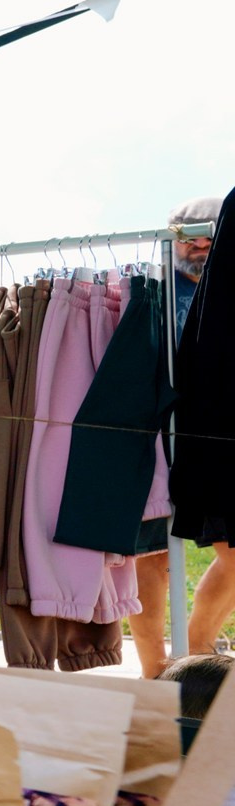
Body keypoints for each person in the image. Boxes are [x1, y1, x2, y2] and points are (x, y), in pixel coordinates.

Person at [130, 195, 235, 675]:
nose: (197, 246)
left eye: (207, 237)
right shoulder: (147, 292)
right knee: (150, 558)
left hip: (209, 442)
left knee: (233, 553)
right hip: (152, 439)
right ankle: (155, 673)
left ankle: (197, 651)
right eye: (186, 236)